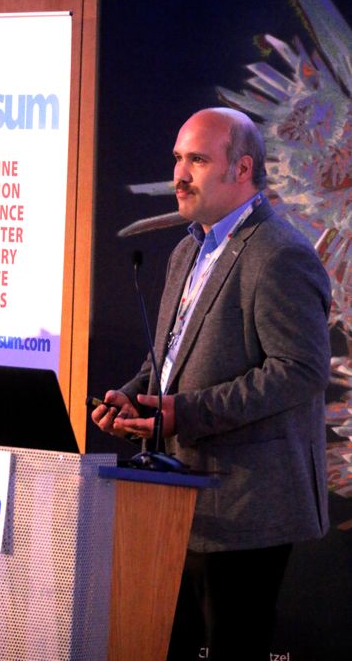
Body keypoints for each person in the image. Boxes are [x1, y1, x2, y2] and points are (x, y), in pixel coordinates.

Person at [92, 107, 331, 661]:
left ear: (241, 168)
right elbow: (170, 358)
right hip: (176, 502)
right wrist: (135, 396)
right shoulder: (188, 249)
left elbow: (300, 370)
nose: (179, 175)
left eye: (197, 160)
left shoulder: (281, 254)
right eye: (178, 158)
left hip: (246, 508)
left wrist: (186, 412)